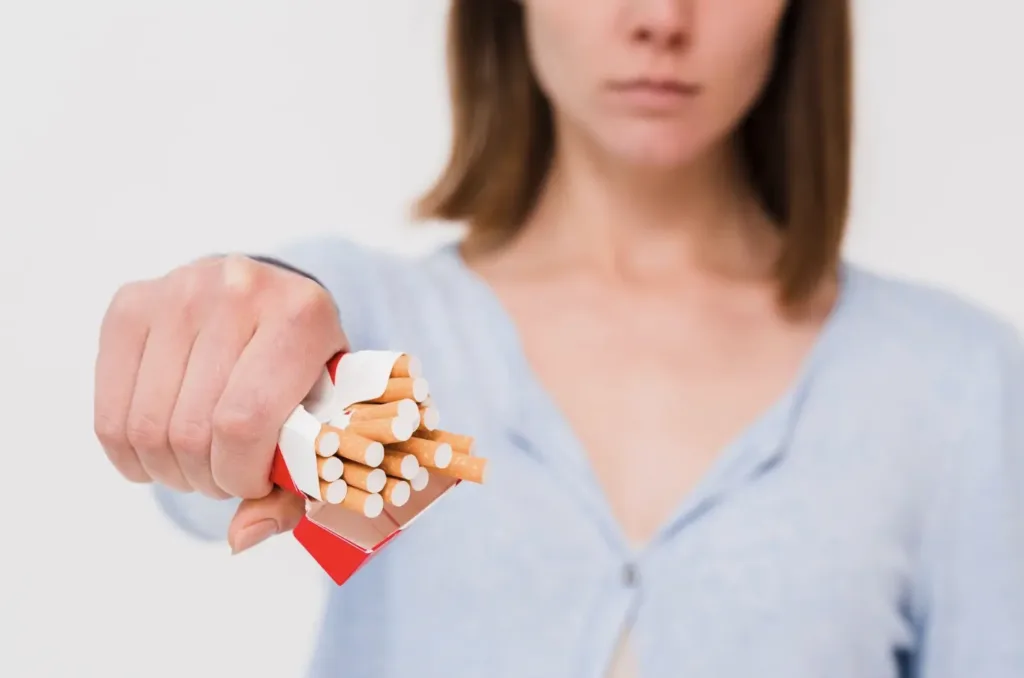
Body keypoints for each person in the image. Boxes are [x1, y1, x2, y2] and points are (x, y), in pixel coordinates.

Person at [93, 0, 1024, 676]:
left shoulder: (950, 384)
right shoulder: (379, 335)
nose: (661, 18)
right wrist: (222, 343)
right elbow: (204, 477)